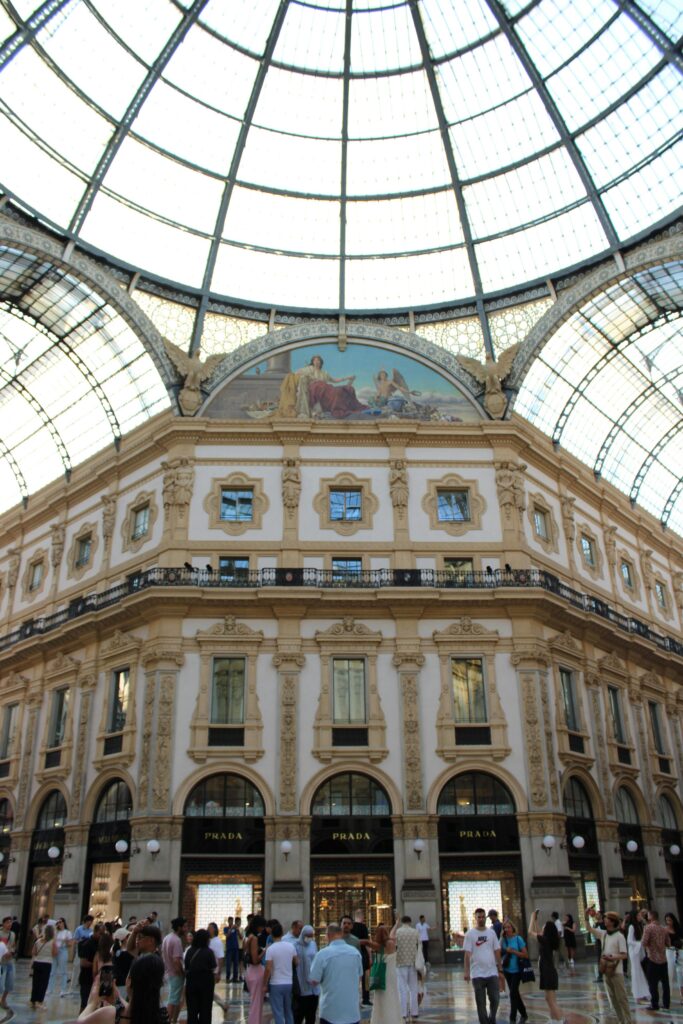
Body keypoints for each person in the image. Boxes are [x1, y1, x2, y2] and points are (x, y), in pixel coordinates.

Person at [77, 946, 170, 1024]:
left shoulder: (110, 1014)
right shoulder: (162, 1015)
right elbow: (136, 1008)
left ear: (129, 981)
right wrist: (118, 1000)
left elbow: (80, 1022)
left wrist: (92, 1003)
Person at [584, 909, 632, 1024]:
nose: (604, 920)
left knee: (622, 998)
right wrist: (586, 917)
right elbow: (589, 929)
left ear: (612, 921)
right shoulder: (604, 934)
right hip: (606, 970)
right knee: (613, 999)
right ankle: (621, 1020)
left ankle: (628, 1021)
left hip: (617, 971)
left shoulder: (619, 936)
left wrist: (612, 957)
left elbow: (624, 955)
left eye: (607, 918)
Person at [309, 922, 363, 1024]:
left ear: (328, 936)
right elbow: (359, 977)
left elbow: (314, 980)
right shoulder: (355, 953)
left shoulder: (322, 955)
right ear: (341, 934)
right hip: (352, 1011)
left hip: (330, 1011)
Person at [464, 907, 503, 1024]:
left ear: (485, 918)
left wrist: (500, 968)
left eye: (482, 917)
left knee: (495, 999)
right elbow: (467, 955)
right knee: (481, 1003)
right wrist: (466, 972)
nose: (481, 919)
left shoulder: (491, 933)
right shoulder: (470, 934)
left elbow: (497, 950)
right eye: (478, 917)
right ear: (475, 918)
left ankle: (492, 1017)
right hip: (477, 974)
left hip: (492, 972)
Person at [528, 911, 562, 1024]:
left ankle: (559, 1020)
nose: (541, 928)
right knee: (549, 999)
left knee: (552, 1001)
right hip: (548, 971)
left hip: (548, 972)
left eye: (544, 927)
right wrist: (536, 920)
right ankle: (553, 1020)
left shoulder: (545, 941)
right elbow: (538, 931)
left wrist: (532, 918)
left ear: (547, 931)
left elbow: (530, 932)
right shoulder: (547, 940)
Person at [264, 921, 297, 1024]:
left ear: (272, 934)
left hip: (275, 984)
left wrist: (264, 984)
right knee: (288, 1011)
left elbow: (268, 969)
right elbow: (297, 961)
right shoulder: (290, 946)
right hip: (288, 983)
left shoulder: (270, 949)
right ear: (282, 934)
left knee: (278, 1012)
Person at [369, 920, 401, 1024]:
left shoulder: (376, 946)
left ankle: (380, 1020)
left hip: (380, 976)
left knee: (380, 997)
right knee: (392, 995)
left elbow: (366, 943)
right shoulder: (391, 943)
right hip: (391, 975)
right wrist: (396, 924)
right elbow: (392, 934)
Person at [184, 928, 217, 1024]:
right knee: (205, 1011)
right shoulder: (209, 952)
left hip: (191, 982)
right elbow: (213, 967)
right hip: (206, 983)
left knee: (192, 1011)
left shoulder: (189, 951)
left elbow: (186, 967)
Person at [642, 908, 671, 1011]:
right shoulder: (664, 929)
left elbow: (644, 942)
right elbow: (668, 943)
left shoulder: (648, 928)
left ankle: (655, 1004)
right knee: (665, 983)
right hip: (663, 959)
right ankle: (666, 1003)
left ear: (650, 916)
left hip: (652, 959)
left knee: (652, 983)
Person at [500, 919, 528, 1024]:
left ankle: (512, 1018)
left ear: (513, 928)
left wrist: (514, 952)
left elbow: (525, 954)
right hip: (507, 970)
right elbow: (499, 952)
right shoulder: (503, 940)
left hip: (517, 971)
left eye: (508, 927)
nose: (507, 929)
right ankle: (524, 1013)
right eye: (505, 928)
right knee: (515, 993)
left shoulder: (518, 939)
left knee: (512, 993)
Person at [161, 917, 187, 1024]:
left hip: (168, 972)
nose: (186, 929)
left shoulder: (167, 938)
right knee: (173, 1000)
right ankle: (168, 1021)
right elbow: (176, 960)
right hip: (175, 974)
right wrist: (181, 973)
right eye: (184, 927)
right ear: (179, 927)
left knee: (175, 999)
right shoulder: (176, 940)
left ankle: (173, 1020)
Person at [395, 915, 420, 1022]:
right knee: (413, 988)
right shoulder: (415, 932)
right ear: (410, 922)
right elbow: (420, 946)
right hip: (413, 963)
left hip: (400, 962)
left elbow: (394, 945)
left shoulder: (398, 932)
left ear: (401, 922)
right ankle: (414, 1012)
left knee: (402, 989)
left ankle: (403, 1013)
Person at [244, 914, 267, 1024]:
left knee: (255, 1002)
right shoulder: (254, 939)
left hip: (250, 971)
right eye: (262, 926)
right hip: (256, 971)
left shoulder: (248, 937)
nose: (262, 929)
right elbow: (255, 959)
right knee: (256, 1004)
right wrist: (264, 951)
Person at [294, 924, 319, 1024]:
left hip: (313, 985)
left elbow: (316, 960)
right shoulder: (296, 946)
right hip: (301, 984)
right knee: (299, 1014)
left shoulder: (313, 944)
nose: (309, 938)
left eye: (311, 935)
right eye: (307, 935)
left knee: (311, 1014)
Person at [623, 910, 648, 1002]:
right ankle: (638, 994)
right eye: (638, 915)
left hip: (639, 950)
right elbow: (629, 941)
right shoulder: (631, 927)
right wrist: (639, 943)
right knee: (636, 972)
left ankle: (643, 993)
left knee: (641, 973)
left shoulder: (639, 925)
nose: (639, 916)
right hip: (634, 951)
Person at [79, 922, 104, 1012]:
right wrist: (95, 964)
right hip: (86, 978)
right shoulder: (87, 944)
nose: (102, 936)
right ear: (95, 932)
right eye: (100, 934)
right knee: (85, 1004)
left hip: (97, 979)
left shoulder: (101, 944)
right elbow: (83, 962)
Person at [31, 922, 56, 1008]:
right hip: (47, 963)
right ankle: (40, 1001)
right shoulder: (53, 942)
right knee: (43, 983)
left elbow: (33, 952)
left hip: (37, 962)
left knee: (36, 982)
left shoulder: (38, 941)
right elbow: (54, 953)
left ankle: (33, 1000)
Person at [48, 915, 73, 996]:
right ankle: (50, 989)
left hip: (63, 950)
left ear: (63, 923)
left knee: (63, 971)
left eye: (61, 922)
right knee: (52, 971)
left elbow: (70, 944)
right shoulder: (56, 932)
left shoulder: (67, 932)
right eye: (58, 922)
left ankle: (63, 989)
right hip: (55, 950)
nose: (59, 924)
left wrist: (66, 941)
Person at [351, 911, 371, 1006]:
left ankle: (353, 998)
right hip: (362, 954)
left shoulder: (350, 927)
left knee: (353, 978)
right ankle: (366, 998)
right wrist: (370, 956)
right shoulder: (363, 927)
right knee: (365, 977)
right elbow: (367, 943)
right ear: (362, 917)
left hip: (351, 955)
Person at [0, 914, 16, 1010]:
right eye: (8, 922)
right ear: (3, 923)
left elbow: (13, 945)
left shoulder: (13, 934)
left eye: (11, 922)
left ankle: (3, 999)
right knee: (1, 983)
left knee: (10, 982)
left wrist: (12, 952)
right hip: (1, 961)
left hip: (9, 960)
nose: (9, 924)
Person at [665, 912, 682, 991]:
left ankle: (681, 991)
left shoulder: (678, 928)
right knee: (670, 971)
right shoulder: (665, 930)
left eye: (670, 920)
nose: (668, 922)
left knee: (680, 972)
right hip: (670, 950)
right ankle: (669, 990)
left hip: (679, 950)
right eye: (667, 920)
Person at [224, 917, 241, 983]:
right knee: (228, 964)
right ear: (228, 921)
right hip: (229, 948)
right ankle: (228, 978)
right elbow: (227, 936)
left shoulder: (235, 928)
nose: (231, 922)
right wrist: (231, 929)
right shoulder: (226, 928)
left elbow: (241, 937)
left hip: (236, 948)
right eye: (230, 921)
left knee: (236, 964)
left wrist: (237, 929)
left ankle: (235, 978)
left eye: (232, 921)